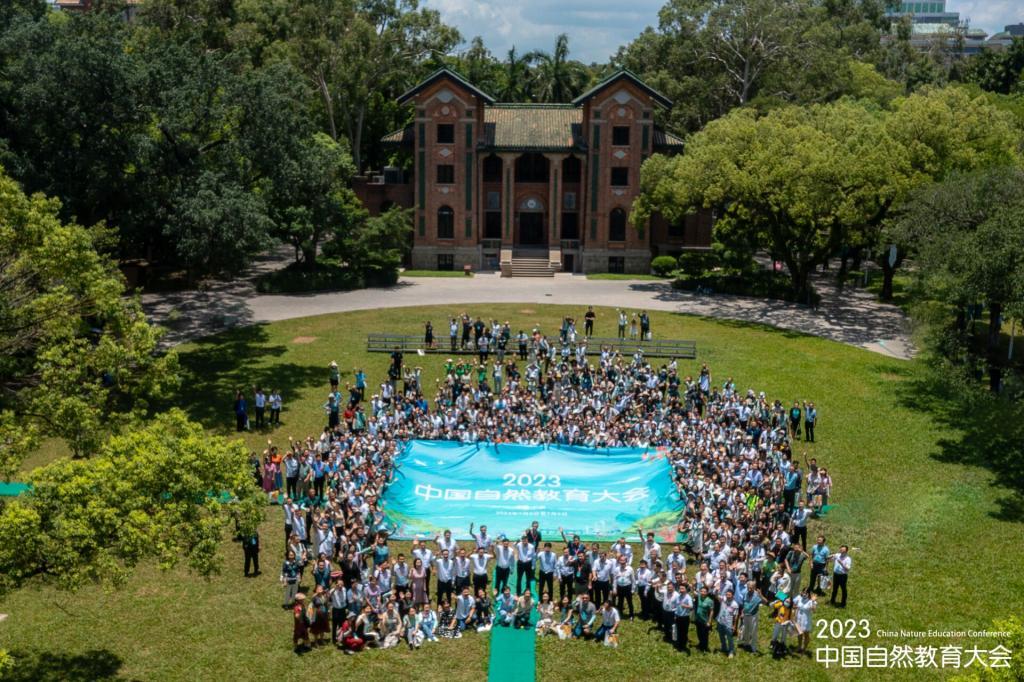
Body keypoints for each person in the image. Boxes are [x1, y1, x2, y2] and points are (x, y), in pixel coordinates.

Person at [739, 580, 764, 654]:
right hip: (745, 615)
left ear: (754, 587)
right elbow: (744, 604)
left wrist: (761, 595)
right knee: (745, 630)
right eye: (748, 587)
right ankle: (746, 643)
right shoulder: (745, 593)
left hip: (753, 616)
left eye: (751, 588)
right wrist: (742, 612)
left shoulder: (757, 595)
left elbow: (766, 602)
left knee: (753, 632)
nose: (749, 589)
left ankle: (753, 648)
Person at [716, 588, 740, 658]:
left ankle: (731, 651)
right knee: (721, 636)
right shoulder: (723, 599)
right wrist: (717, 591)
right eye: (727, 594)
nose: (727, 596)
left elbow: (736, 616)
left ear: (732, 595)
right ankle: (724, 648)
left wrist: (734, 626)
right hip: (720, 622)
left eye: (729, 595)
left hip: (728, 624)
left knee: (730, 638)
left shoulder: (735, 604)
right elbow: (716, 596)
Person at [793, 588, 817, 654]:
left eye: (806, 593)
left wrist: (813, 601)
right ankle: (799, 647)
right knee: (799, 633)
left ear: (809, 594)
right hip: (798, 619)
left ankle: (804, 649)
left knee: (806, 635)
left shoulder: (811, 601)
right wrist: (795, 607)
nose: (804, 594)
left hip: (806, 621)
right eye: (803, 592)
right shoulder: (799, 598)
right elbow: (792, 604)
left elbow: (814, 610)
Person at [694, 586, 713, 652]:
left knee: (704, 635)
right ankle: (700, 644)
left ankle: (704, 647)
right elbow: (694, 593)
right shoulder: (699, 597)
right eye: (701, 591)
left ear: (707, 593)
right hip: (698, 619)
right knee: (699, 633)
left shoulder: (710, 601)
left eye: (704, 592)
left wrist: (709, 622)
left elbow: (711, 611)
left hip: (705, 621)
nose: (703, 593)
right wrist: (692, 587)